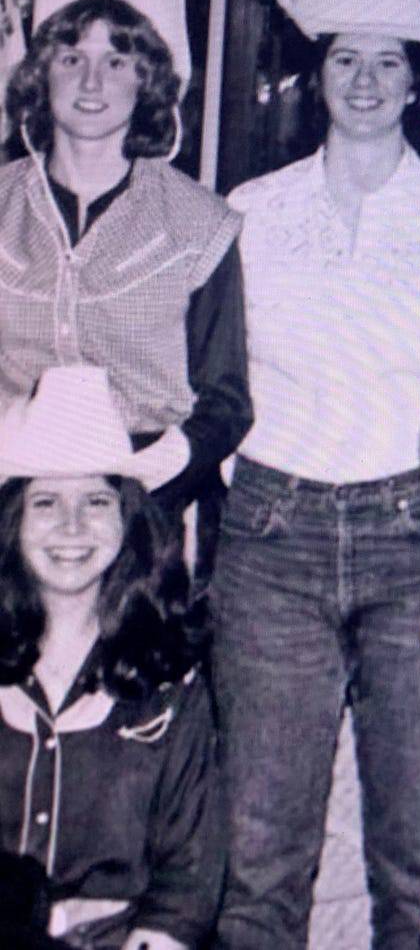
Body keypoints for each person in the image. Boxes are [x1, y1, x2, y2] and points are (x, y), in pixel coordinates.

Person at [211, 0, 420, 947]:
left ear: (419, 82)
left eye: (387, 60)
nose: (365, 80)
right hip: (269, 540)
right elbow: (214, 385)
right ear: (315, 74)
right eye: (343, 59)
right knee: (259, 858)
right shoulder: (246, 210)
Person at [0, 0, 251, 575]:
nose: (91, 81)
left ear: (148, 80)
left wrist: (145, 481)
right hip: (11, 504)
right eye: (70, 58)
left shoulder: (199, 223)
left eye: (117, 61)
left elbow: (225, 402)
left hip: (149, 511)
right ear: (40, 74)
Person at [0, 366, 220, 950]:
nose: (71, 526)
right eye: (46, 501)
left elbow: (189, 883)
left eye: (96, 500)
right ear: (13, 522)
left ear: (128, 521)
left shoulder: (171, 682)